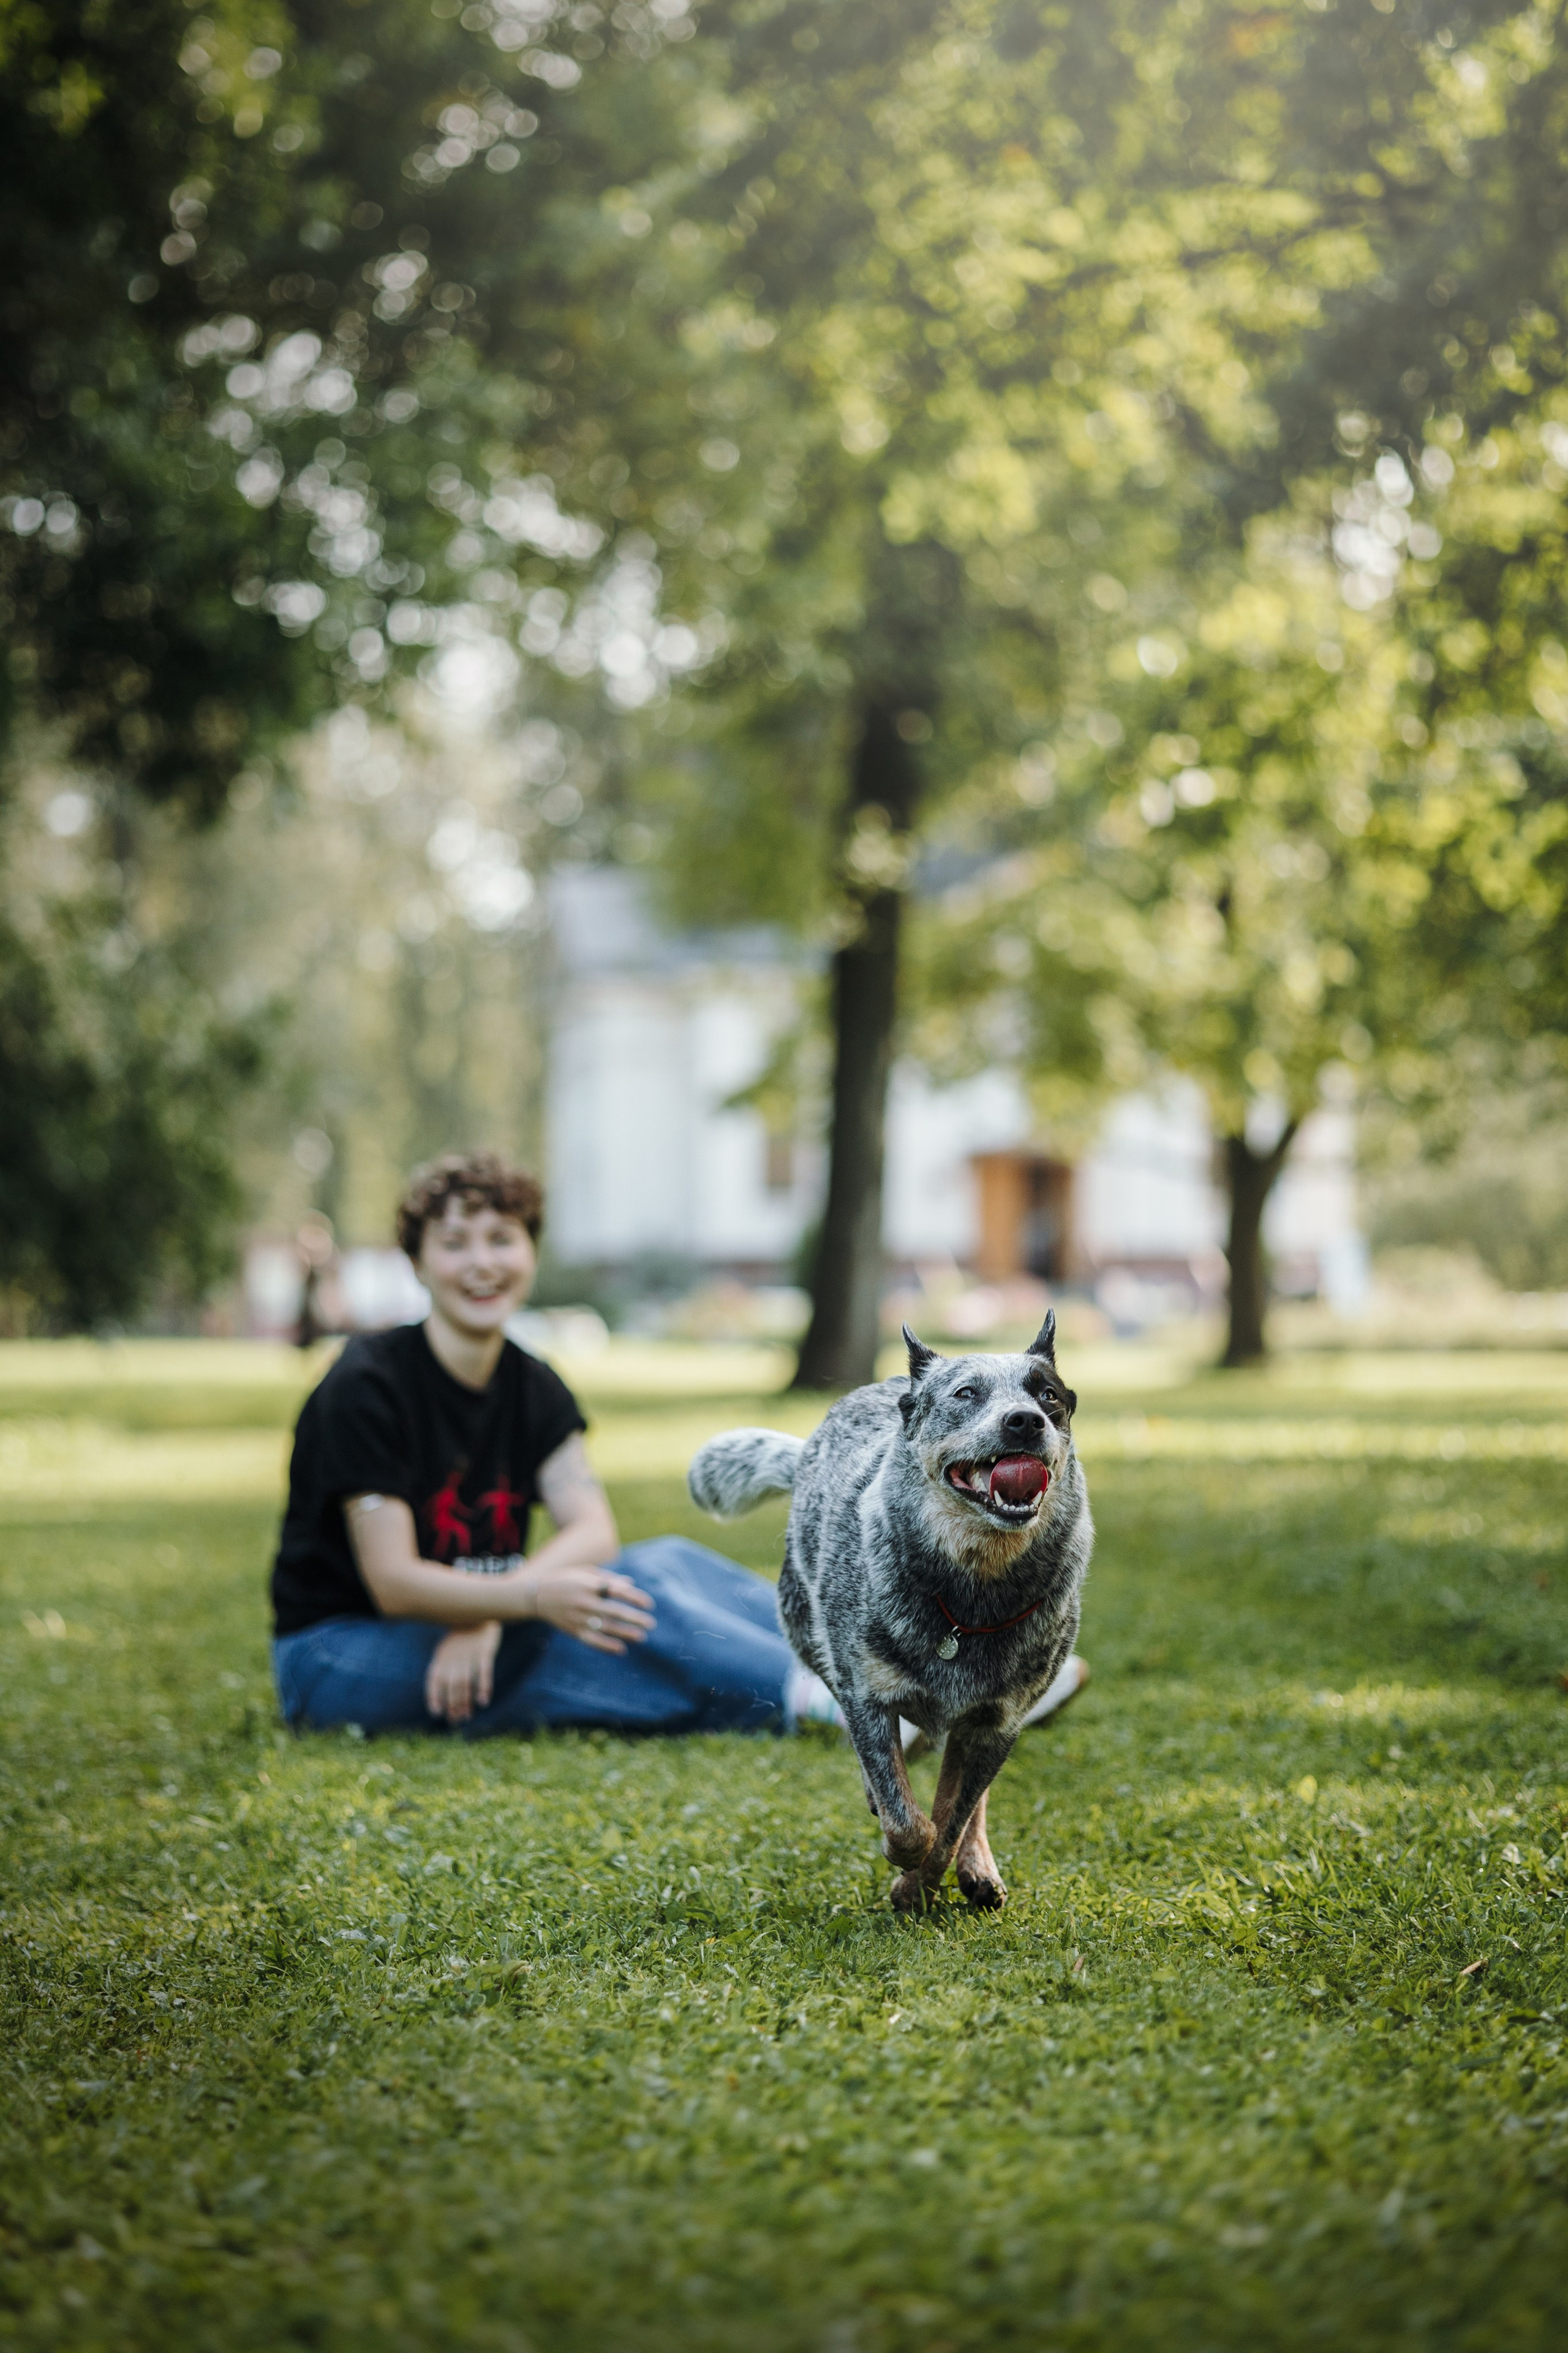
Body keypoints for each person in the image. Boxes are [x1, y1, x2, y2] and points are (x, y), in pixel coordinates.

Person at [270, 1148, 1088, 1742]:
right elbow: (393, 1579)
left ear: (530, 1251)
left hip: (479, 1623)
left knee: (657, 1565)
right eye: (455, 1243)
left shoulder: (531, 1382)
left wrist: (495, 1610)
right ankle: (831, 1700)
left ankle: (892, 1672)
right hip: (343, 1649)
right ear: (417, 1261)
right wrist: (518, 1603)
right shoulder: (367, 1383)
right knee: (606, 1647)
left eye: (501, 1238)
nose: (481, 1262)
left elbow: (592, 1531)